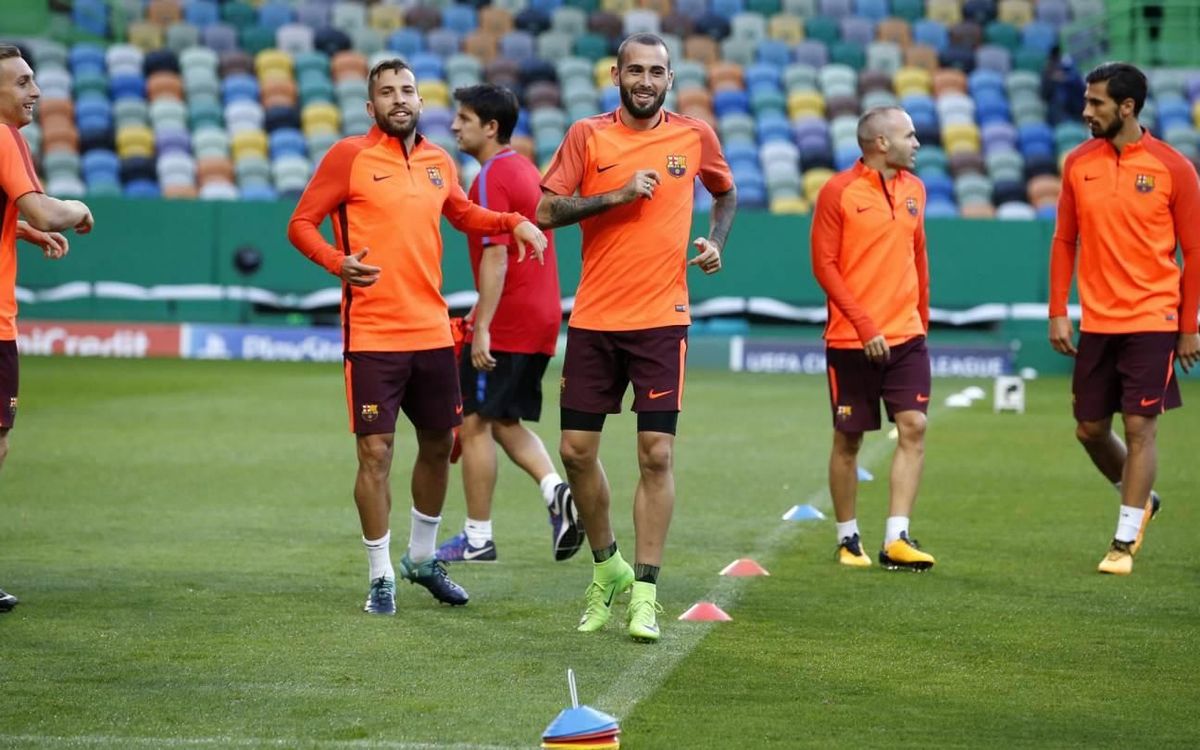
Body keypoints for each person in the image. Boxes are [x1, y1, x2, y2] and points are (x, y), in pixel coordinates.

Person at [287, 59, 548, 615]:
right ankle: (380, 575)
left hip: (431, 330)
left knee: (438, 444)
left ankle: (423, 559)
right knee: (375, 452)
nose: (399, 99)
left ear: (420, 101)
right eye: (387, 92)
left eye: (407, 90)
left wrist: (513, 221)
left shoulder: (438, 162)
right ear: (371, 106)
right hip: (372, 333)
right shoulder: (348, 157)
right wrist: (336, 262)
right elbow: (300, 223)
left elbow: (464, 214)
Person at [536, 33, 737, 642]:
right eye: (635, 71)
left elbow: (725, 193)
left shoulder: (695, 136)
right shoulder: (587, 135)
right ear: (615, 75)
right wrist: (617, 196)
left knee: (656, 454)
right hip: (595, 318)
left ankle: (645, 593)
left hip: (661, 319)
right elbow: (547, 211)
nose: (645, 81)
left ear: (670, 79)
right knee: (575, 451)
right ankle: (608, 568)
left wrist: (715, 242)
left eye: (656, 72)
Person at [1049, 62, 1200, 576]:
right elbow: (1064, 240)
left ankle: (1123, 540)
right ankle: (1142, 501)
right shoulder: (1078, 163)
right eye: (1087, 101)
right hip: (1097, 320)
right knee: (1090, 430)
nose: (1086, 111)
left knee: (1139, 427)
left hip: (1154, 317)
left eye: (1096, 103)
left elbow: (1194, 251)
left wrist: (1188, 326)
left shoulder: (1174, 168)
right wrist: (1058, 311)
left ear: (1127, 107)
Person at [434, 84, 583, 564]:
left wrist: (483, 326)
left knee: (474, 422)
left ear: (491, 127)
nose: (454, 126)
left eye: (464, 118)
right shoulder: (523, 168)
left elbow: (496, 257)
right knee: (502, 420)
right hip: (540, 315)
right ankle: (556, 491)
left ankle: (478, 538)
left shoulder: (491, 176)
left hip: (510, 318)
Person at [810, 106, 935, 572]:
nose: (917, 143)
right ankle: (848, 538)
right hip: (851, 340)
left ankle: (897, 537)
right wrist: (865, 326)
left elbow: (918, 256)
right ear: (882, 142)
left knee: (914, 426)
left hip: (907, 336)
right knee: (849, 440)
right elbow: (824, 266)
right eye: (909, 135)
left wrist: (922, 320)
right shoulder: (838, 192)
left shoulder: (916, 189)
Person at [0, 44, 95, 613]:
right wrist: (76, 207)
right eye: (21, 82)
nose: (34, 91)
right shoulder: (5, 136)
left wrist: (19, 231)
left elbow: (19, 215)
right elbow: (44, 209)